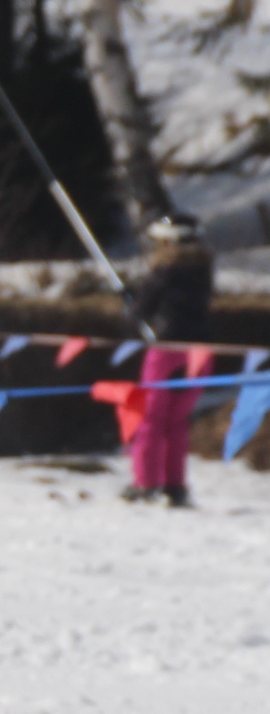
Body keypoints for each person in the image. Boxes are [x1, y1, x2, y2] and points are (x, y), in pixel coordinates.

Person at [125, 210, 215, 509]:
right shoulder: (204, 269)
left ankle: (146, 482)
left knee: (151, 420)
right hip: (199, 353)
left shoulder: (164, 271)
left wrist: (131, 299)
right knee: (177, 423)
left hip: (166, 350)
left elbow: (141, 311)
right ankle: (175, 485)